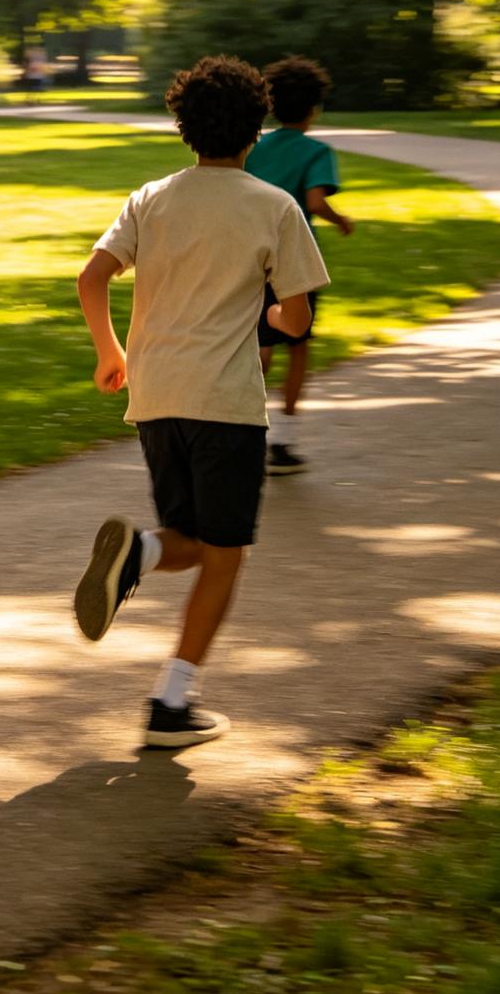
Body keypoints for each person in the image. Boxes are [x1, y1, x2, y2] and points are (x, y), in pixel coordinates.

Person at [71, 55, 328, 748]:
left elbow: (90, 278)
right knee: (225, 553)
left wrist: (109, 352)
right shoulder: (274, 206)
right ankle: (171, 701)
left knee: (190, 539)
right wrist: (268, 319)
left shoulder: (151, 196)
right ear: (256, 129)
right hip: (226, 402)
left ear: (183, 125)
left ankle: (141, 554)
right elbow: (298, 321)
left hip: (155, 396)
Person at [246, 55, 355, 475]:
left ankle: (242, 427)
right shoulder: (316, 151)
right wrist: (341, 220)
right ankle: (285, 445)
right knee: (298, 345)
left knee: (259, 347)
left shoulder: (255, 145)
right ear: (314, 109)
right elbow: (314, 202)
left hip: (254, 258)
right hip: (294, 263)